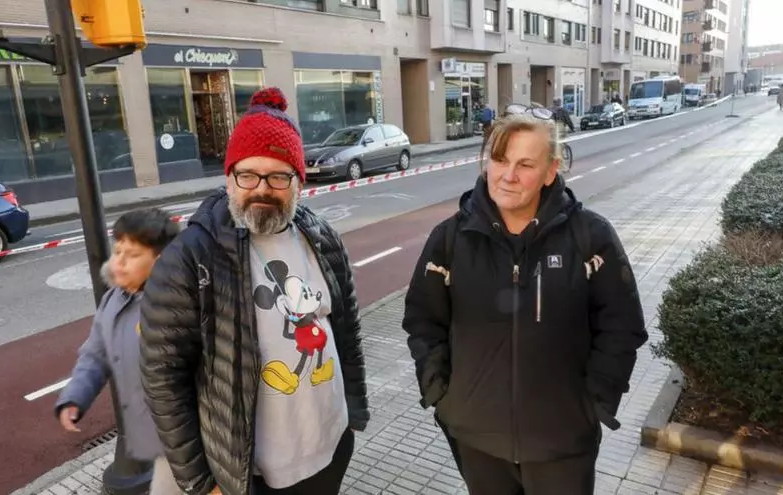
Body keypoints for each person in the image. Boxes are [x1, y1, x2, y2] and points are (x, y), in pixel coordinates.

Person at [402, 111, 648, 495]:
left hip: (563, 442)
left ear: (550, 172)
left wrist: (593, 402)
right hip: (477, 440)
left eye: (525, 165)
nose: (508, 176)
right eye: (499, 160)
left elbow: (622, 326)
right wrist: (443, 397)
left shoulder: (590, 237)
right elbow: (422, 320)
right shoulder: (450, 239)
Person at [139, 87, 369, 495]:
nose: (262, 188)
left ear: (298, 182)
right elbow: (163, 380)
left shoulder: (322, 239)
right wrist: (201, 483)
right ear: (229, 179)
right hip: (251, 475)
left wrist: (354, 413)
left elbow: (347, 332)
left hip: (331, 448)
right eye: (248, 174)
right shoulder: (191, 258)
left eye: (279, 176)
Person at [54, 208, 182, 495]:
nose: (119, 262)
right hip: (156, 434)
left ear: (161, 260)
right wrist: (75, 396)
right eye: (117, 251)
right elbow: (96, 352)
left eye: (133, 254)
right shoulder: (113, 300)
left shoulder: (181, 303)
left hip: (189, 436)